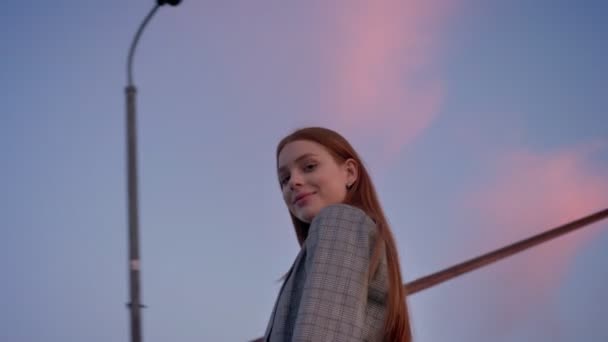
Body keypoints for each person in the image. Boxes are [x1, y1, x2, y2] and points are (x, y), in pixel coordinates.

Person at [261, 127, 412, 342]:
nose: (293, 181)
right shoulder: (343, 234)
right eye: (284, 179)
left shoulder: (340, 221)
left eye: (309, 166)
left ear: (349, 173)